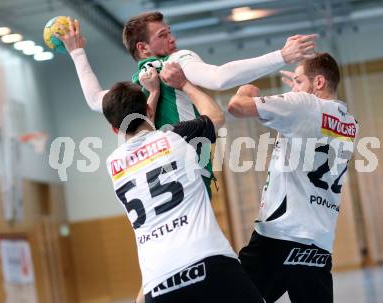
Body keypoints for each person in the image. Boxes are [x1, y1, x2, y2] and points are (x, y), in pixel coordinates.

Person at [57, 14, 317, 195]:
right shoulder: (176, 60)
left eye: (170, 32)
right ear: (144, 48)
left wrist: (77, 52)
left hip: (160, 175)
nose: (172, 39)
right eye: (163, 35)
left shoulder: (136, 89)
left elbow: (94, 99)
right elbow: (220, 77)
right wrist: (281, 56)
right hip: (189, 167)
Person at [103, 62, 264, 303]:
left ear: (115, 128)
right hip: (208, 260)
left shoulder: (113, 164)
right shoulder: (177, 136)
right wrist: (183, 84)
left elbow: (143, 136)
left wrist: (153, 95)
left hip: (158, 282)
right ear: (148, 110)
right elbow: (216, 117)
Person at [227, 53, 359, 303]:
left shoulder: (302, 105)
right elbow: (310, 120)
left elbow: (236, 106)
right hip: (319, 241)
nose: (294, 87)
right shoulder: (350, 123)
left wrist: (246, 90)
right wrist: (298, 92)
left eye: (298, 81)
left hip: (281, 233)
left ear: (318, 82)